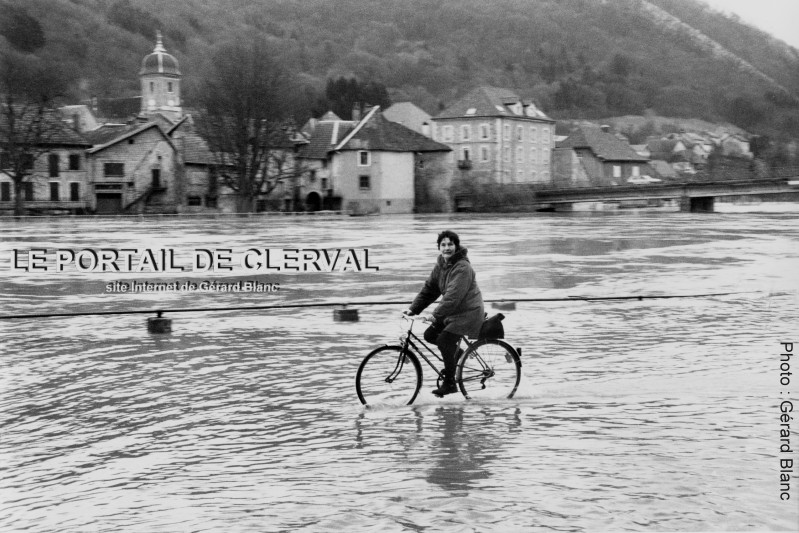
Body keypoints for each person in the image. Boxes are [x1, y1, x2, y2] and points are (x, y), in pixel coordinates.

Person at [404, 230, 485, 397]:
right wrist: (413, 309)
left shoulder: (463, 267)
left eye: (450, 244)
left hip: (468, 313)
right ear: (439, 247)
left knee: (444, 341)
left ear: (456, 246)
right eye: (443, 245)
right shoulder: (441, 265)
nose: (447, 248)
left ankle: (450, 384)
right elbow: (429, 289)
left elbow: (452, 297)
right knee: (429, 335)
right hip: (453, 313)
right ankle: (458, 357)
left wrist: (434, 315)